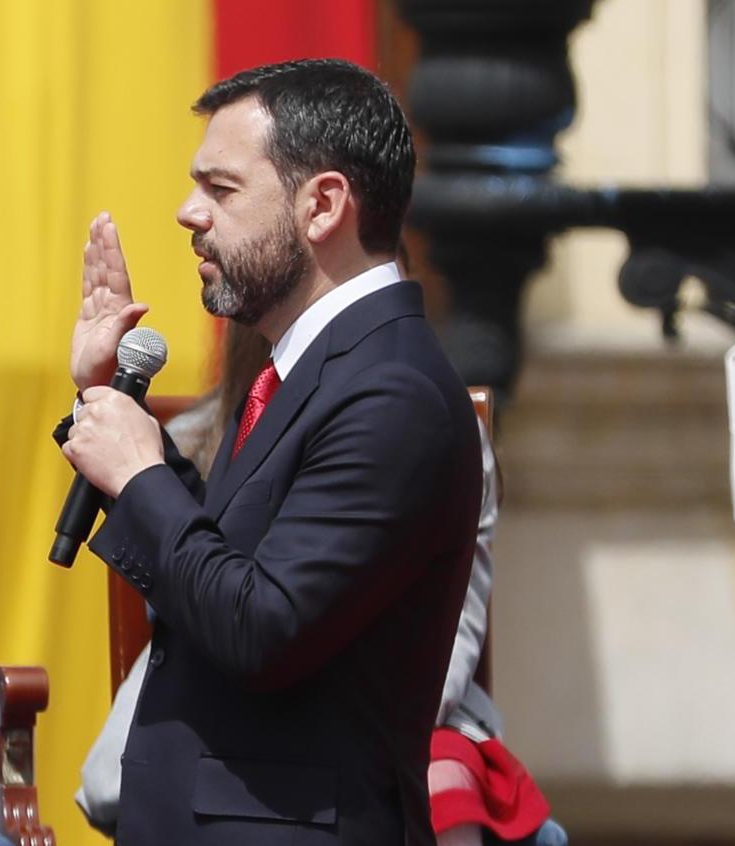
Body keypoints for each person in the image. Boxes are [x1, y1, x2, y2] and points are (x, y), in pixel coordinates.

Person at [57, 58, 483, 844]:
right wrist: (112, 402)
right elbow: (223, 564)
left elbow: (262, 630)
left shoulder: (394, 394)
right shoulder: (305, 371)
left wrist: (141, 472)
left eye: (220, 190)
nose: (188, 214)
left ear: (321, 204)